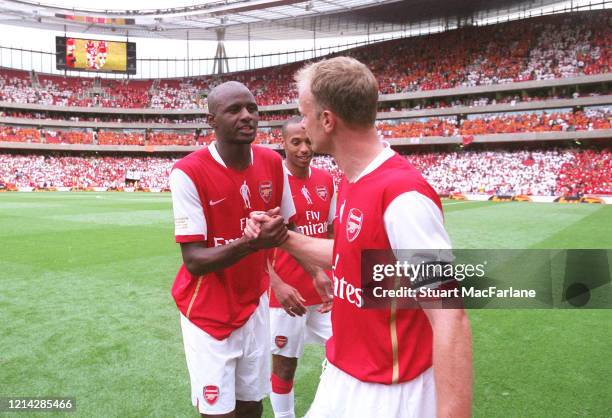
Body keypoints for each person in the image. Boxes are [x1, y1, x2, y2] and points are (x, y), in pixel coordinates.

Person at [245, 57, 473, 418]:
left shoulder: (403, 196)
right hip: (343, 373)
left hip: (389, 391)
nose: (301, 123)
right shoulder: (353, 180)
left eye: (304, 113)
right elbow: (350, 252)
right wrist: (281, 239)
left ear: (327, 120)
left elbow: (450, 317)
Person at [169, 81, 295, 418]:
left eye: (252, 108)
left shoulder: (272, 163)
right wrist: (250, 242)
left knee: (252, 403)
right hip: (207, 311)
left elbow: (289, 231)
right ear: (211, 120)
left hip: (253, 304)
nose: (248, 116)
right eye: (235, 109)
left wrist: (298, 272)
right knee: (219, 412)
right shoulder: (188, 172)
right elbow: (194, 261)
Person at [268, 116, 335, 418]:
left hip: (324, 291)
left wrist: (335, 276)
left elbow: (331, 233)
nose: (305, 148)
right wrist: (276, 284)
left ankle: (332, 406)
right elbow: (255, 244)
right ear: (282, 143)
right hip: (286, 295)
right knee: (285, 365)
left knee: (344, 351)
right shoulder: (270, 183)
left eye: (308, 141)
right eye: (296, 142)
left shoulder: (326, 180)